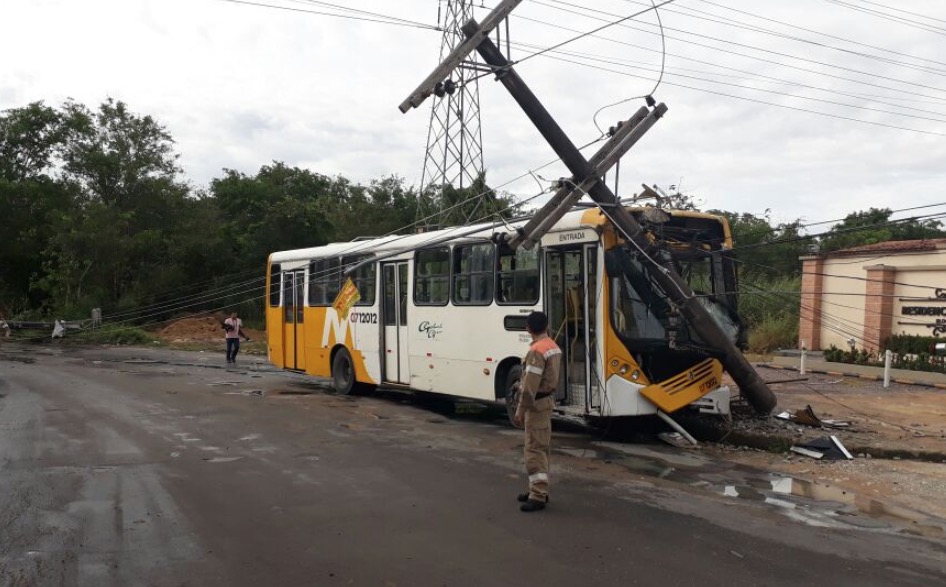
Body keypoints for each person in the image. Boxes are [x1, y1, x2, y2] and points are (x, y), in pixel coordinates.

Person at [513, 311, 562, 512]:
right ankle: (536, 488)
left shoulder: (536, 351)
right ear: (546, 326)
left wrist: (519, 411)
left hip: (536, 405)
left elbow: (529, 388)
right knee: (542, 447)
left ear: (528, 328)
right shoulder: (552, 345)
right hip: (546, 402)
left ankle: (538, 495)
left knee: (533, 449)